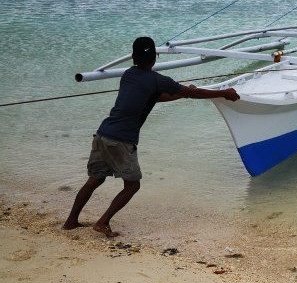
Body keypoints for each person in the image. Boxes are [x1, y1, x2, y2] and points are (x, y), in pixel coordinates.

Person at [62, 36, 240, 238]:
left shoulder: (128, 75)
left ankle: (70, 222)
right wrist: (223, 92)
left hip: (103, 133)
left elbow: (154, 96)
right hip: (122, 140)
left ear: (133, 57)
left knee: (94, 180)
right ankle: (102, 222)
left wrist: (183, 93)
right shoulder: (157, 80)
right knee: (132, 185)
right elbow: (192, 93)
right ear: (155, 57)